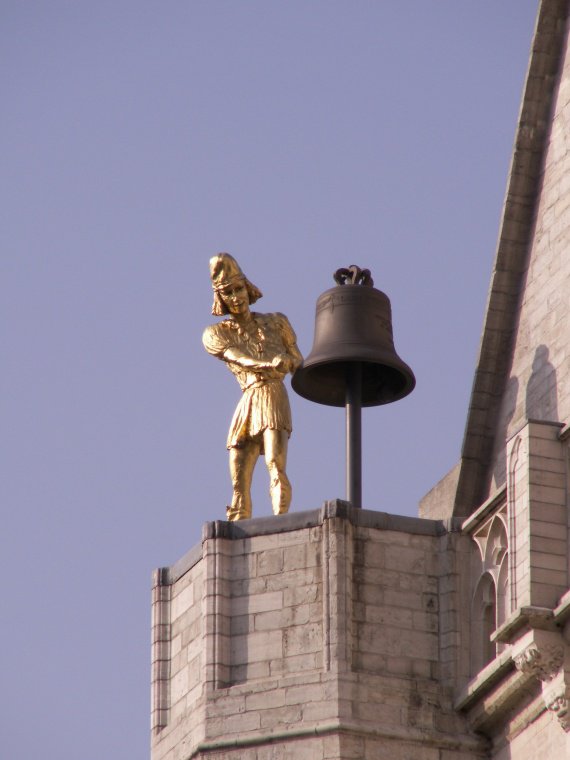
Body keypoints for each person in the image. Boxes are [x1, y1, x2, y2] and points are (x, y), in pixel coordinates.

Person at [203, 253, 302, 521]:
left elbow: (297, 359)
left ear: (247, 287)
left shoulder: (277, 322)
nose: (235, 298)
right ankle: (236, 531)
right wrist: (271, 363)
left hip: (272, 394)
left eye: (238, 290)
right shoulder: (216, 333)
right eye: (228, 294)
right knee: (238, 478)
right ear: (220, 300)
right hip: (249, 397)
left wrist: (287, 362)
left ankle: (281, 521)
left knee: (274, 463)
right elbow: (236, 356)